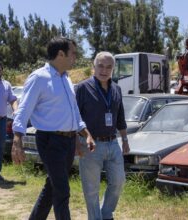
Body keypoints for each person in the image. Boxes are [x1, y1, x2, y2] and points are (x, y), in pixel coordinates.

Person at [11, 37, 95, 220]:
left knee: (53, 187)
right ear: (60, 54)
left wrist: (85, 134)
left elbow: (74, 112)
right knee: (62, 191)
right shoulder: (39, 77)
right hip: (50, 141)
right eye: (73, 53)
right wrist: (17, 140)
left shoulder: (66, 78)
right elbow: (24, 109)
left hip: (67, 141)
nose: (76, 56)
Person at [75, 51, 129, 220]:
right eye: (100, 66)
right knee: (91, 188)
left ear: (113, 69)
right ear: (94, 66)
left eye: (109, 67)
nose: (104, 70)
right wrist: (77, 142)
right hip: (90, 145)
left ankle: (106, 214)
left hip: (113, 143)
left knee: (119, 181)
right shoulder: (82, 88)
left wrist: (125, 140)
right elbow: (75, 117)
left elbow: (120, 116)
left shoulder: (117, 89)